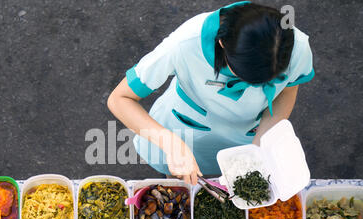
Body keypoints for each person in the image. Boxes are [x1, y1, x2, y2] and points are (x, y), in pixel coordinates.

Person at [107, 1, 314, 185]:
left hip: (248, 135)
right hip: (187, 132)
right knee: (179, 184)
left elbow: (288, 89)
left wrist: (259, 144)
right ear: (222, 44)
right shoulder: (184, 44)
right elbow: (120, 99)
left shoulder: (296, 47)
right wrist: (169, 143)